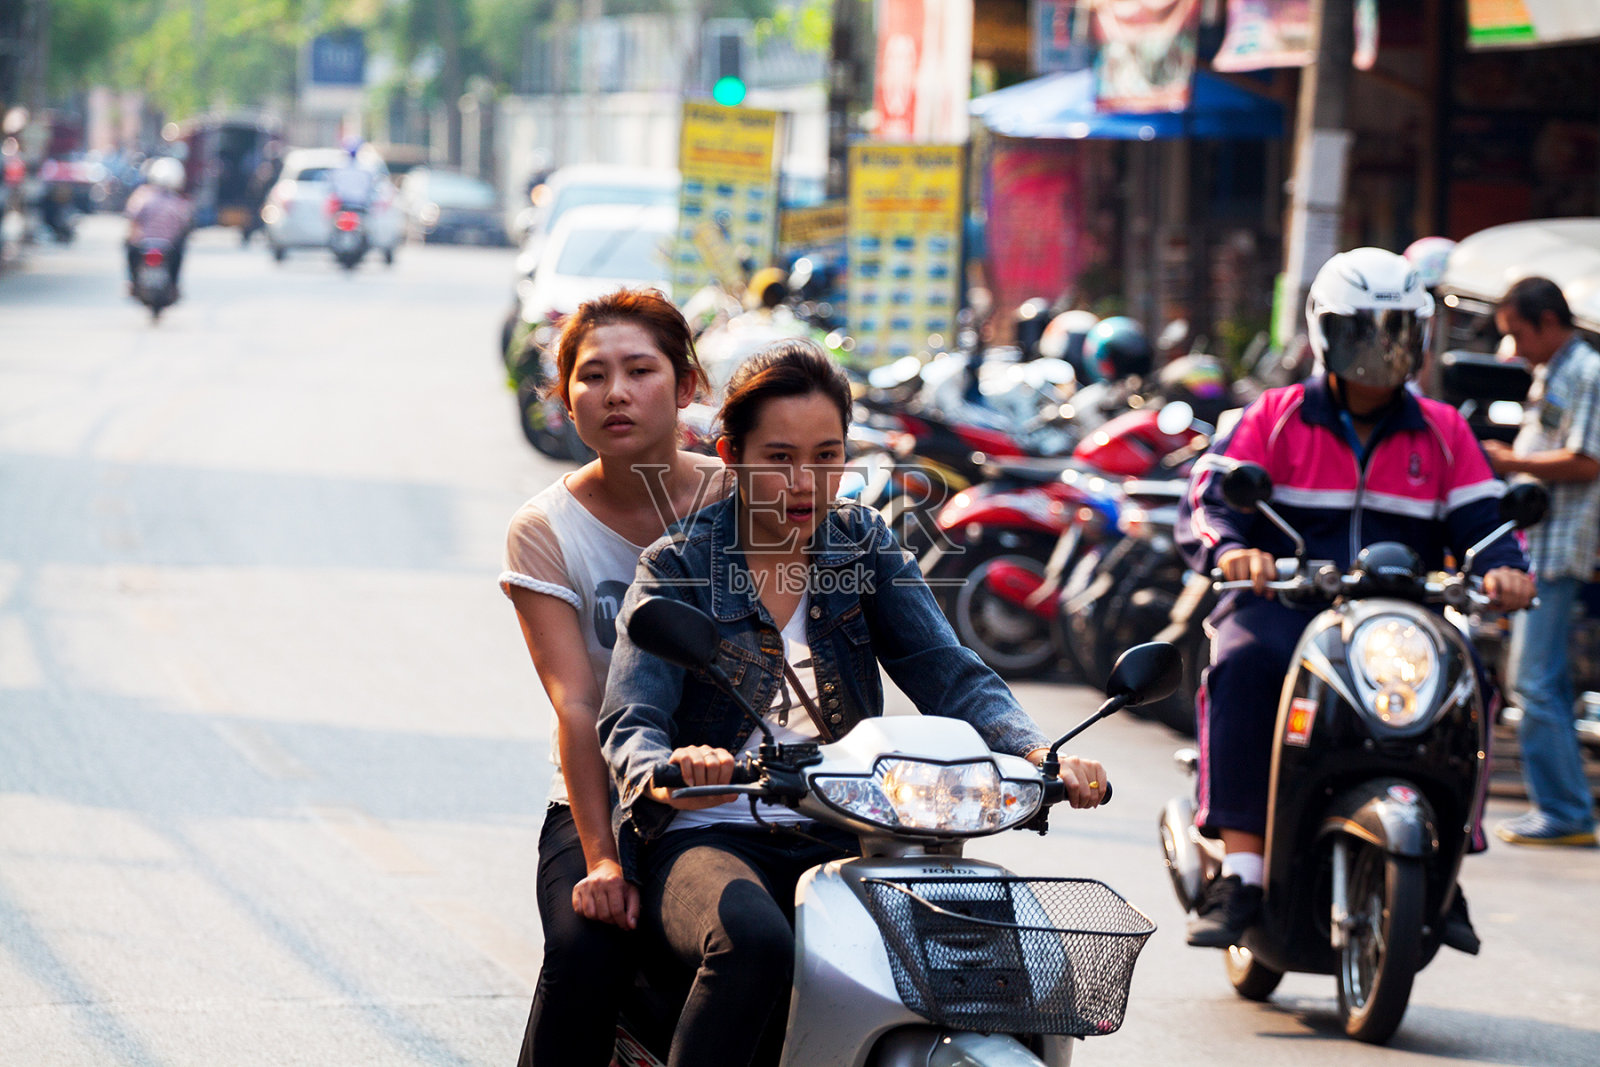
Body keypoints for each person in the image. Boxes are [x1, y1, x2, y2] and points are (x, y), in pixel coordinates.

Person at [598, 338, 1110, 1067]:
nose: (805, 482)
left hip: (849, 826)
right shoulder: (679, 564)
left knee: (987, 960)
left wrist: (1037, 752)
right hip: (710, 834)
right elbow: (632, 718)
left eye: (827, 456)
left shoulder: (861, 545)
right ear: (732, 455)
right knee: (753, 943)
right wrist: (671, 766)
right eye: (780, 458)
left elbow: (947, 670)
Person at [1176, 247, 1537, 950]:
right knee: (1243, 662)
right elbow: (1209, 499)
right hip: (1287, 606)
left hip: (1405, 618)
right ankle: (1242, 872)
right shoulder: (1274, 417)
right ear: (1325, 331)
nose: (1380, 350)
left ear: (1420, 335)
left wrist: (1506, 571)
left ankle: (1449, 861)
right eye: (1362, 331)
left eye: (1396, 331)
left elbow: (1488, 525)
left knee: (1472, 684)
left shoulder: (1445, 431)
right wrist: (1233, 552)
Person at [499, 288, 731, 1066]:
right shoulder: (546, 528)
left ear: (686, 385)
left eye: (639, 370)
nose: (616, 393)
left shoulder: (742, 500)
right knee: (585, 947)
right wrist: (601, 858)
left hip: (741, 789)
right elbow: (577, 704)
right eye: (593, 376)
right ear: (566, 401)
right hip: (605, 795)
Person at [1483, 276, 1600, 848]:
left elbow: (1587, 460)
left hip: (1558, 547)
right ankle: (1563, 807)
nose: (1515, 347)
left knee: (1532, 680)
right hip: (1539, 545)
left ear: (1549, 322)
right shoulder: (1555, 371)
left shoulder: (1587, 372)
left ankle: (1564, 810)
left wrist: (1510, 462)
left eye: (1519, 333)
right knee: (1539, 680)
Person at [123, 156, 193, 292]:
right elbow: (185, 222)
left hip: (144, 243)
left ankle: (131, 282)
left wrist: (132, 237)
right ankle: (174, 285)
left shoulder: (142, 195)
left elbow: (133, 216)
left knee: (128, 247)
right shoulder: (178, 201)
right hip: (168, 246)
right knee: (180, 252)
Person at [328, 139, 376, 212]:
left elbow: (332, 188)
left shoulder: (339, 169)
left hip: (345, 206)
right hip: (359, 206)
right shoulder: (365, 170)